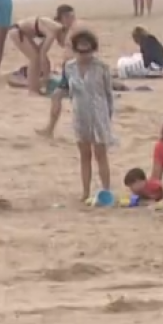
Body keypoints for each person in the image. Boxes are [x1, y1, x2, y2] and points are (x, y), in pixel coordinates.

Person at [63, 29, 115, 202]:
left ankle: (106, 190)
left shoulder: (102, 67)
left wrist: (108, 117)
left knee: (101, 154)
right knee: (84, 155)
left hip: (99, 114)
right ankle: (85, 192)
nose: (84, 54)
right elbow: (68, 91)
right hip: (80, 114)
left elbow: (108, 94)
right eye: (80, 50)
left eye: (87, 50)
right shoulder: (69, 67)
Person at [12, 5, 76, 95]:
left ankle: (35, 87)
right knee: (34, 58)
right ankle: (32, 90)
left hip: (22, 32)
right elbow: (43, 53)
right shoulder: (54, 30)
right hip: (17, 31)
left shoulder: (56, 27)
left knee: (37, 57)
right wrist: (46, 75)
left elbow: (44, 50)